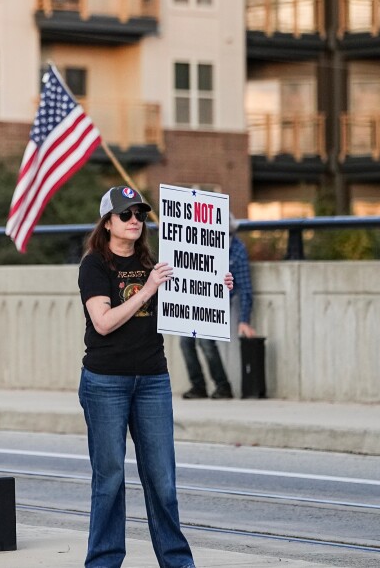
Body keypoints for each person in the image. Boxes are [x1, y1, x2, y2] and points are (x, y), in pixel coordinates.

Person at [78, 186, 233, 568]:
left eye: (140, 214)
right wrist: (147, 289)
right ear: (107, 222)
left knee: (163, 481)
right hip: (105, 381)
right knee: (110, 479)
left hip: (152, 380)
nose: (134, 220)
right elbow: (103, 322)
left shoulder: (154, 263)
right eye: (125, 214)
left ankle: (177, 562)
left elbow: (187, 310)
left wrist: (216, 288)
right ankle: (103, 562)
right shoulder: (94, 265)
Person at [179, 217, 255, 399]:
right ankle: (198, 386)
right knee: (185, 341)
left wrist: (244, 320)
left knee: (206, 342)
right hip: (196, 298)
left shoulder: (237, 250)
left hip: (217, 302)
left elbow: (245, 288)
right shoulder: (199, 244)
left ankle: (223, 385)